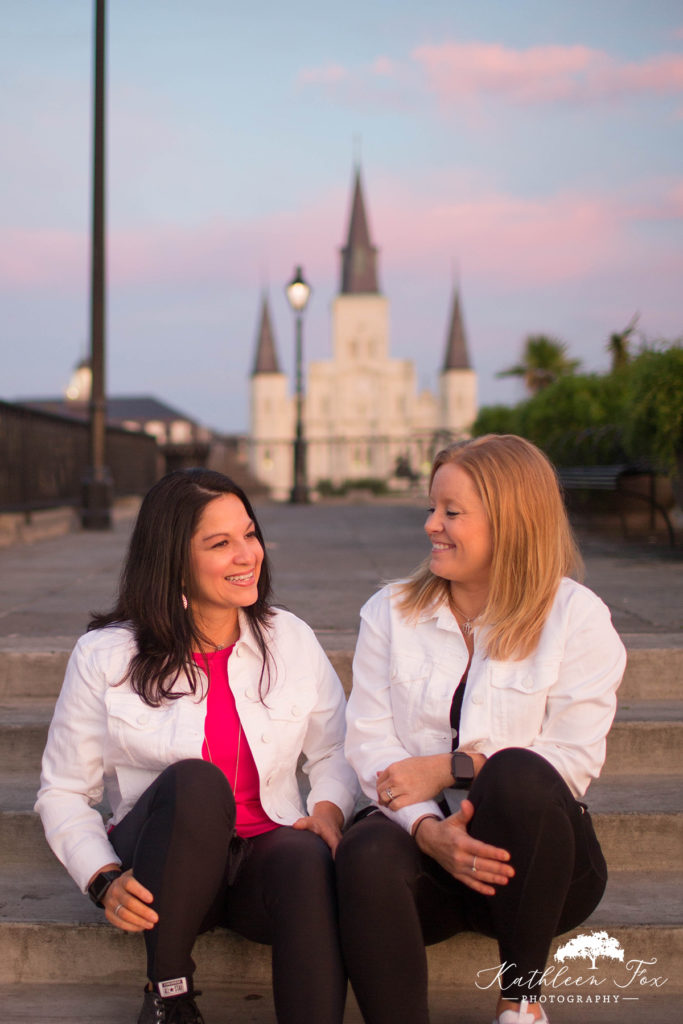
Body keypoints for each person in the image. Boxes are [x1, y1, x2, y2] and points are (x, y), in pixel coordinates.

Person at [36, 469, 359, 1024]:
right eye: (220, 543)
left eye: (250, 534)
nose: (247, 554)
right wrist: (102, 877)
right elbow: (63, 791)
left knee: (305, 858)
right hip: (163, 873)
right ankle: (168, 995)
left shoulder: (290, 638)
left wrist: (328, 809)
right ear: (173, 560)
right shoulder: (106, 655)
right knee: (198, 783)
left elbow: (337, 750)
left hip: (261, 863)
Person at [336, 435, 626, 1024]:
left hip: (536, 869)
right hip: (428, 870)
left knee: (519, 773)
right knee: (364, 850)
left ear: (511, 523)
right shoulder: (389, 611)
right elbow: (369, 742)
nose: (431, 525)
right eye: (432, 508)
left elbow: (570, 761)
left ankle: (519, 1003)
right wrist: (427, 831)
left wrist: (454, 767)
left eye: (452, 512)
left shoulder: (577, 617)